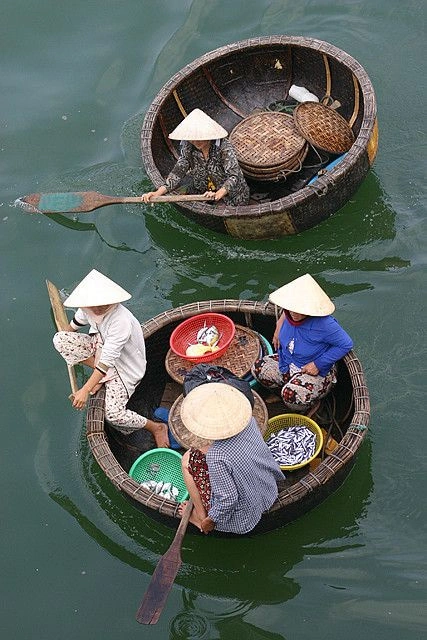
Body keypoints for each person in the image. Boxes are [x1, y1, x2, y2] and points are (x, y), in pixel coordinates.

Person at [52, 269, 169, 449]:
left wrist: (84, 390)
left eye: (103, 304)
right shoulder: (87, 307)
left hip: (124, 369)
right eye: (94, 305)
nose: (98, 309)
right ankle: (101, 376)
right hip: (101, 347)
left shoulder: (120, 321)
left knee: (113, 414)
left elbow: (106, 362)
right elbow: (77, 322)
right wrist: (68, 338)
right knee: (59, 340)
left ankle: (156, 427)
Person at [178, 383, 284, 534]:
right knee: (194, 454)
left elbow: (228, 500)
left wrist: (210, 521)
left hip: (243, 517)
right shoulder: (249, 421)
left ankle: (200, 517)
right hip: (268, 491)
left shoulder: (216, 457)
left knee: (186, 460)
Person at [251, 273, 353, 413]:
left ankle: (305, 406)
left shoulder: (325, 324)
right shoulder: (287, 313)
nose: (294, 313)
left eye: (300, 310)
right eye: (291, 308)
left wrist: (318, 364)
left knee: (292, 396)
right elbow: (286, 314)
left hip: (313, 370)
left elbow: (345, 344)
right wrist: (279, 326)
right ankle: (283, 392)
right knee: (258, 369)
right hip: (288, 362)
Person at [141, 108, 250, 206]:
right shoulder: (187, 144)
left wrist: (219, 193)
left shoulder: (223, 147)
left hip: (232, 196)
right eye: (192, 138)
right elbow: (179, 170)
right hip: (202, 190)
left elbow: (234, 176)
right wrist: (157, 193)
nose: (195, 141)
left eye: (199, 137)